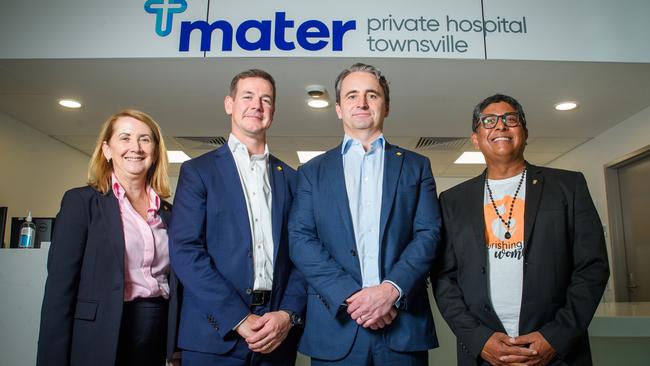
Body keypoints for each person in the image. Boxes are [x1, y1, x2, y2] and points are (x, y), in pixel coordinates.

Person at [433, 94, 610, 365]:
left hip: (556, 352)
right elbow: (444, 278)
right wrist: (479, 339)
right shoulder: (452, 200)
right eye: (489, 121)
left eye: (510, 119)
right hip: (484, 353)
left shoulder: (568, 187)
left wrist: (555, 336)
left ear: (525, 133)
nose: (500, 126)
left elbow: (592, 267)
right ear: (476, 138)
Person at [289, 63, 441, 365]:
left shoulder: (416, 166)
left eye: (372, 95)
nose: (361, 103)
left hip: (402, 326)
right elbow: (300, 240)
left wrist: (389, 291)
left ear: (386, 106)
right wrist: (353, 297)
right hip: (337, 327)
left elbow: (429, 234)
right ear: (338, 108)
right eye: (352, 96)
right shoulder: (311, 173)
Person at [169, 69, 305, 365]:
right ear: (229, 104)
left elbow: (301, 256)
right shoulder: (198, 172)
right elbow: (185, 252)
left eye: (265, 99)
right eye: (248, 96)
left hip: (276, 336)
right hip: (214, 336)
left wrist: (287, 314)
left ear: (273, 112)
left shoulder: (293, 180)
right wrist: (238, 317)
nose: (257, 105)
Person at [37, 109, 180, 366]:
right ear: (106, 149)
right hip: (99, 332)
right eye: (124, 138)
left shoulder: (169, 214)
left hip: (155, 331)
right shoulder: (81, 202)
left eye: (145, 139)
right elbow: (60, 290)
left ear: (156, 151)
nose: (135, 147)